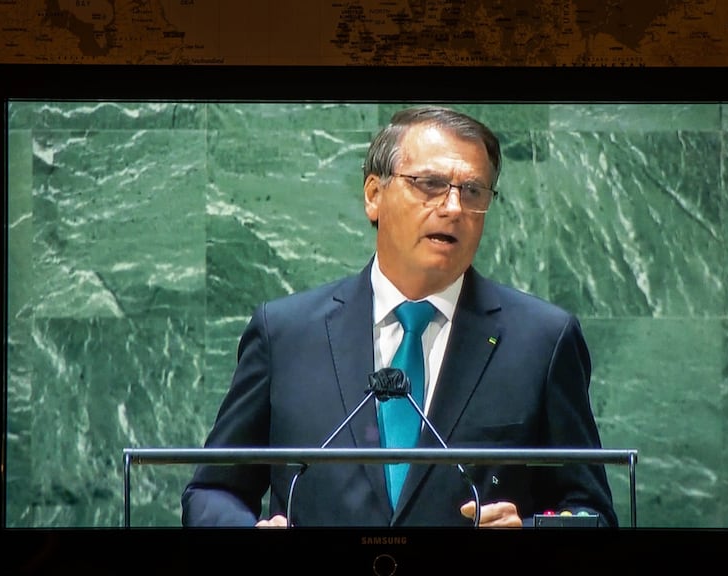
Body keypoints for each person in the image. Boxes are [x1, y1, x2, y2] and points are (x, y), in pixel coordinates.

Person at [181, 106, 617, 528]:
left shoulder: (541, 340)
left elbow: (591, 513)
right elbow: (211, 492)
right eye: (430, 184)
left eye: (473, 191)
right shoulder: (286, 334)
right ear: (374, 195)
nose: (453, 207)